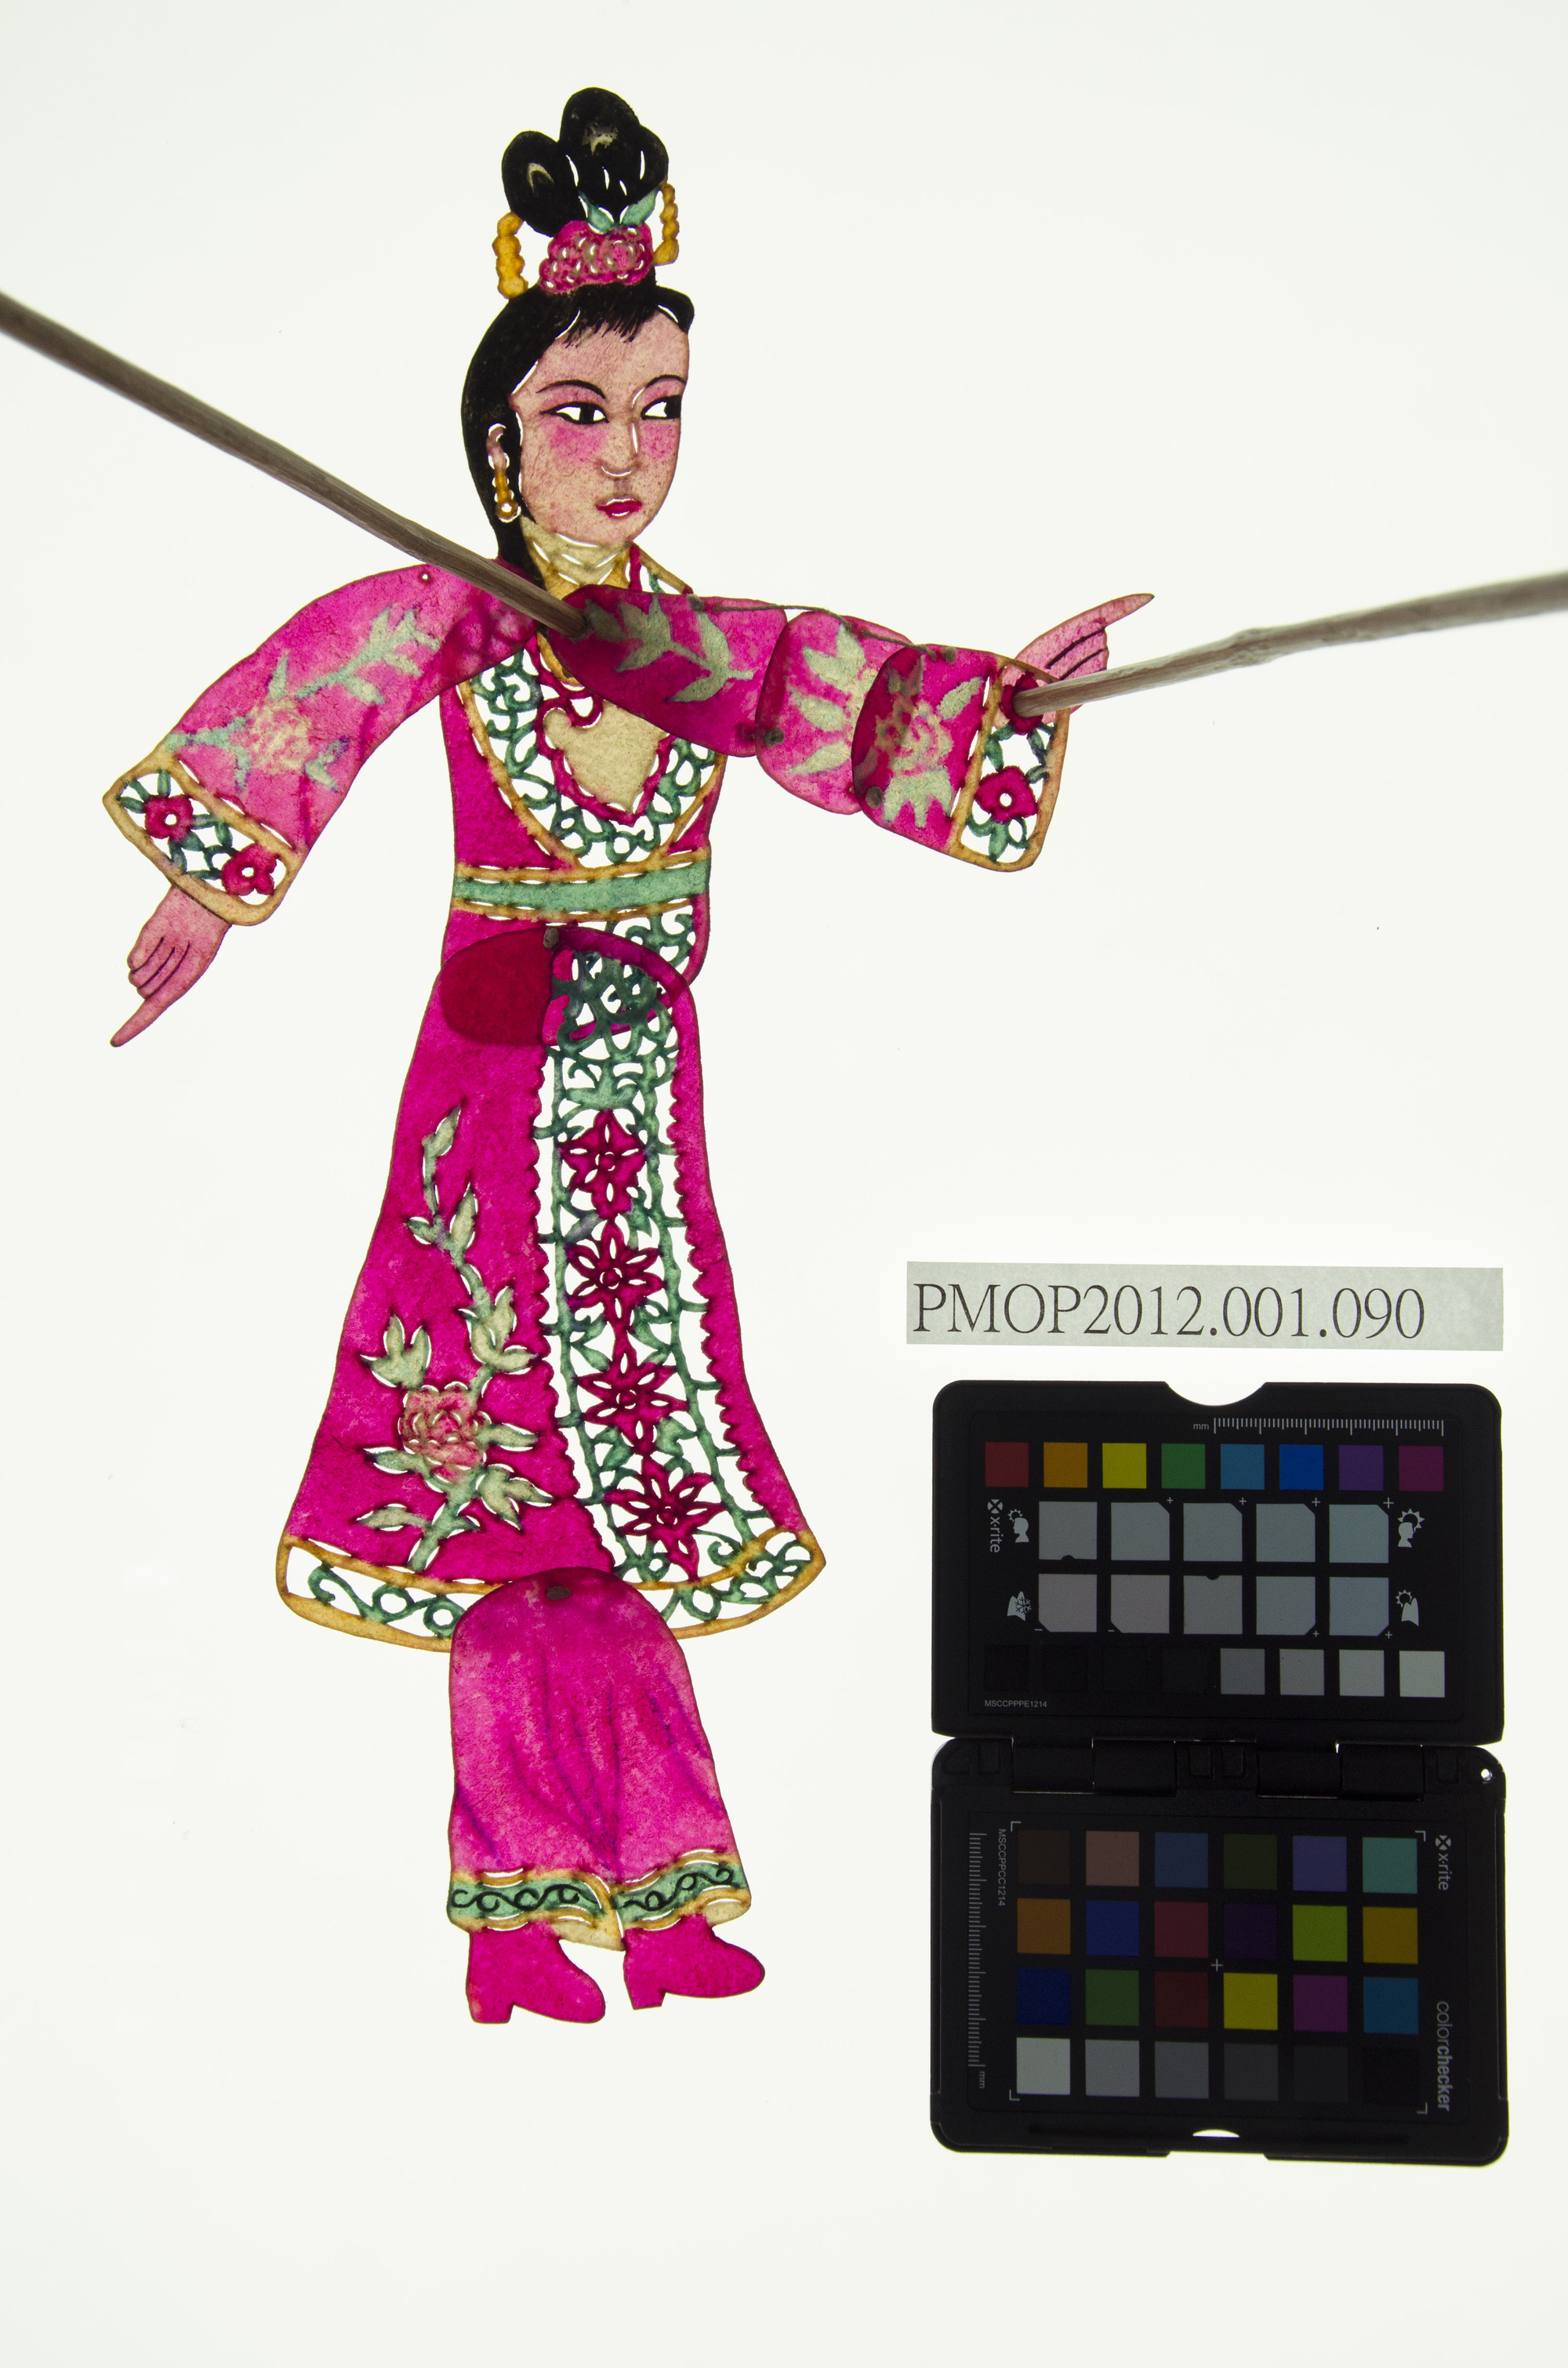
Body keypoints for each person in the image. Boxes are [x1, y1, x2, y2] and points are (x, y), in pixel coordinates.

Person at [106, 87, 1145, 2025]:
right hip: (488, 1100)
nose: (628, 451)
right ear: (501, 437)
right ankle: (515, 1918)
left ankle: (658, 1900)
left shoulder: (707, 645)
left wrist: (1010, 695)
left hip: (634, 1109)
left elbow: (851, 705)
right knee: (509, 1500)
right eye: (581, 409)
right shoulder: (450, 616)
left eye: (659, 408)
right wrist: (208, 896)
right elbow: (314, 694)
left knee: (622, 1506)